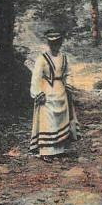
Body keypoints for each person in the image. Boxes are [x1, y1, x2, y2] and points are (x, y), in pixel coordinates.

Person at [29, 29, 78, 161]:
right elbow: (36, 77)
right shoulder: (42, 58)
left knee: (60, 120)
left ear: (60, 43)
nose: (54, 46)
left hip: (60, 91)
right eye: (52, 43)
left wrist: (68, 85)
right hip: (46, 92)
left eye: (57, 43)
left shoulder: (65, 58)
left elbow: (69, 73)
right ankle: (46, 150)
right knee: (47, 120)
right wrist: (38, 93)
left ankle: (59, 149)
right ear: (48, 44)